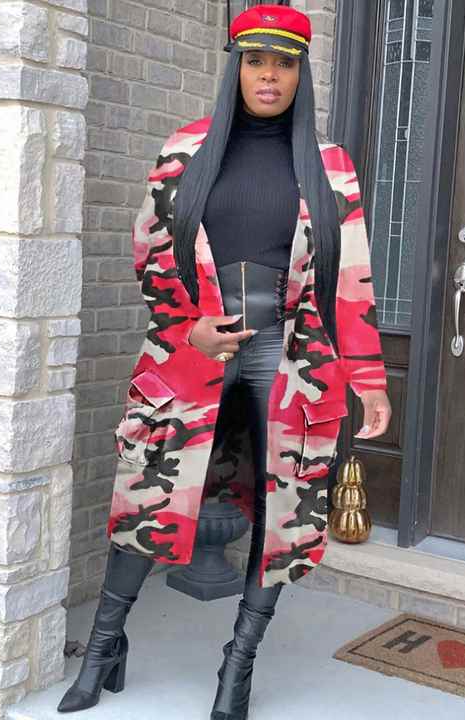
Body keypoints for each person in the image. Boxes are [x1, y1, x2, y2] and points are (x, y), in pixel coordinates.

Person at [57, 4, 392, 718]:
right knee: (147, 494)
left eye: (284, 64)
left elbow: (352, 281)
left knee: (283, 509)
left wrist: (369, 380)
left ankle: (237, 666)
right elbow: (150, 256)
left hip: (289, 356)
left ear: (302, 74)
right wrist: (189, 331)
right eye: (255, 61)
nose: (269, 76)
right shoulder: (186, 150)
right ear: (235, 68)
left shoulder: (331, 167)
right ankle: (104, 648)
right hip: (193, 352)